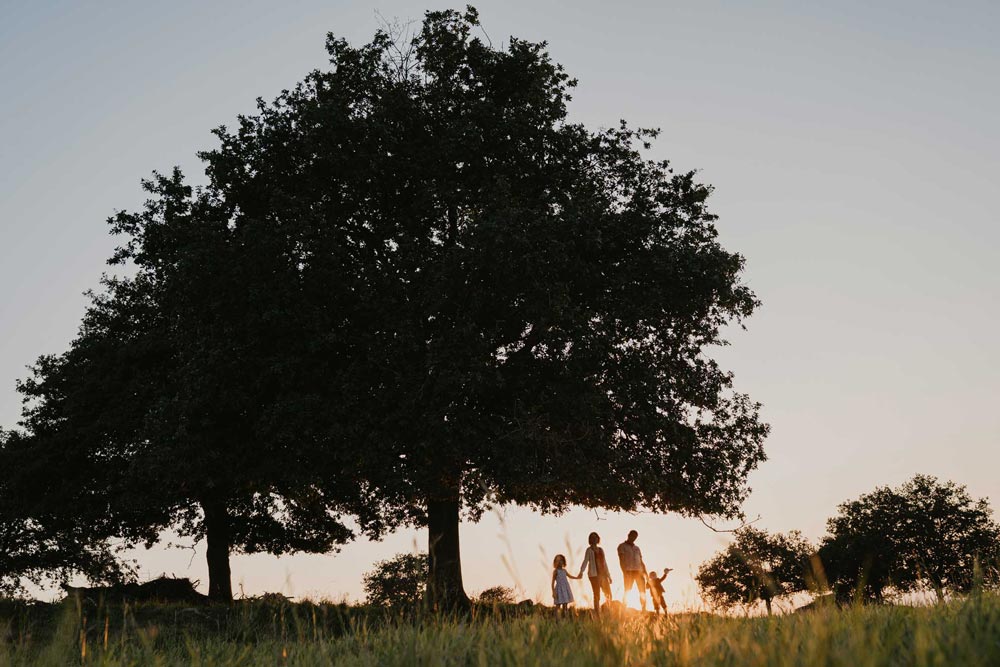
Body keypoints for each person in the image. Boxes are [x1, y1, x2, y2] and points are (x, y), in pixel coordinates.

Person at [577, 532, 612, 615]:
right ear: (590, 540)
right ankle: (597, 614)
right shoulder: (589, 550)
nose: (594, 539)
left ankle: (607, 612)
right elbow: (585, 561)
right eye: (592, 537)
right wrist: (581, 572)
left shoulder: (601, 550)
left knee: (609, 594)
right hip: (594, 575)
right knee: (597, 595)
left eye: (595, 537)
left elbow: (604, 563)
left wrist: (609, 576)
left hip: (603, 575)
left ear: (598, 539)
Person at [617, 530, 648, 611]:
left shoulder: (637, 548)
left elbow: (641, 561)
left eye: (635, 536)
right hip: (628, 571)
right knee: (627, 590)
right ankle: (624, 609)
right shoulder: (622, 546)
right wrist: (624, 572)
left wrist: (646, 573)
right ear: (628, 535)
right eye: (632, 535)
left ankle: (643, 609)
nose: (633, 537)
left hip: (639, 571)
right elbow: (621, 560)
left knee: (642, 591)